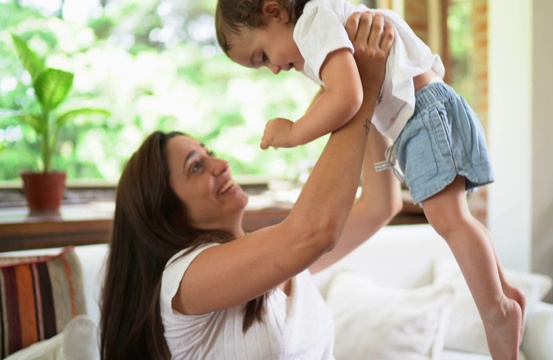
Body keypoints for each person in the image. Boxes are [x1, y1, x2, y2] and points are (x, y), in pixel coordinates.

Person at [214, 1, 526, 359]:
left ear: (275, 11)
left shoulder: (311, 22)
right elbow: (338, 90)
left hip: (423, 114)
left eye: (262, 55)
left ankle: (497, 312)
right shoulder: (321, 24)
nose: (272, 69)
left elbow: (347, 97)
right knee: (456, 217)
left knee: (449, 219)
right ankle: (503, 292)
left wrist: (295, 132)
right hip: (424, 112)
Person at [99, 12, 400, 359]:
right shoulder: (183, 279)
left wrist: (364, 85)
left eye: (208, 153)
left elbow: (380, 205)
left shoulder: (280, 260)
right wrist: (357, 92)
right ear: (163, 208)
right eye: (196, 167)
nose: (221, 164)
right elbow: (314, 232)